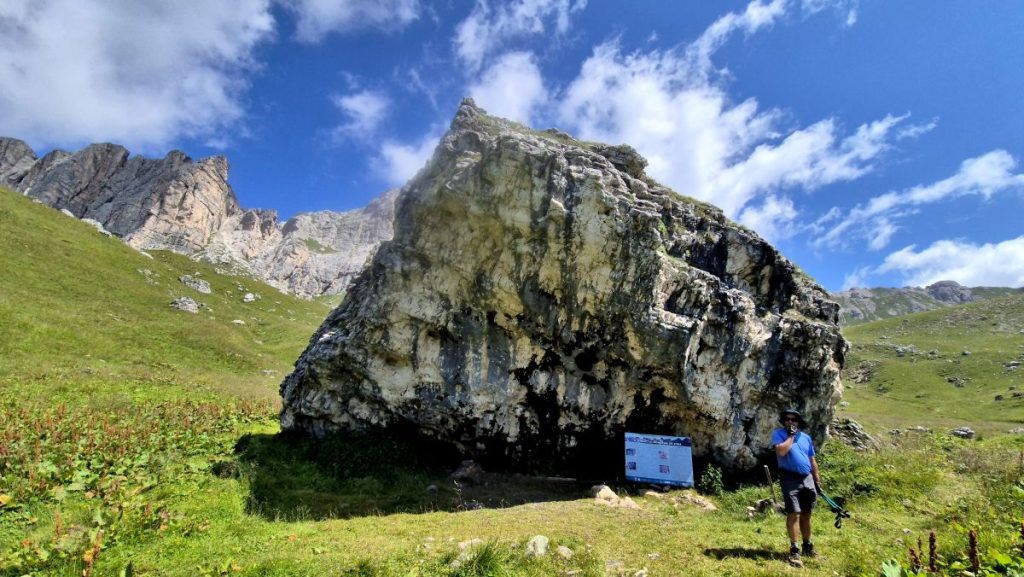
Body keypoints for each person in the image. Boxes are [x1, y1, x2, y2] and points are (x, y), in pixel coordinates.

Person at [771, 408, 820, 568]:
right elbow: (781, 451)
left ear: (799, 422)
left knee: (807, 513)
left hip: (807, 479)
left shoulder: (806, 438)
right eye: (787, 419)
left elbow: (812, 460)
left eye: (793, 420)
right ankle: (794, 549)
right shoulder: (779, 434)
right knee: (794, 513)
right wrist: (791, 436)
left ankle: (808, 546)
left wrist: (817, 480)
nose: (790, 422)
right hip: (789, 478)